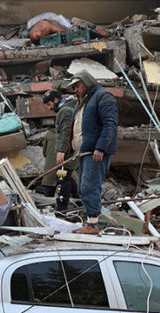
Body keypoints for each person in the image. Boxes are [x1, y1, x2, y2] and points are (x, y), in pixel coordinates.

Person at [66, 70, 118, 234]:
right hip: (85, 152)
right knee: (83, 188)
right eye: (73, 87)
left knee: (90, 186)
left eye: (77, 85)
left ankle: (94, 225)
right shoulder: (85, 101)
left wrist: (100, 147)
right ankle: (90, 222)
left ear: (87, 82)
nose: (75, 89)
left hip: (95, 152)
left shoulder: (103, 97)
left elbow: (110, 124)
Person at [42, 89, 78, 212]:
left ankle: (62, 209)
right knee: (66, 177)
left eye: (49, 104)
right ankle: (79, 199)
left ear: (56, 100)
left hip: (67, 152)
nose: (49, 108)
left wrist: (61, 151)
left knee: (63, 178)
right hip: (70, 151)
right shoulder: (69, 108)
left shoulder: (65, 111)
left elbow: (66, 132)